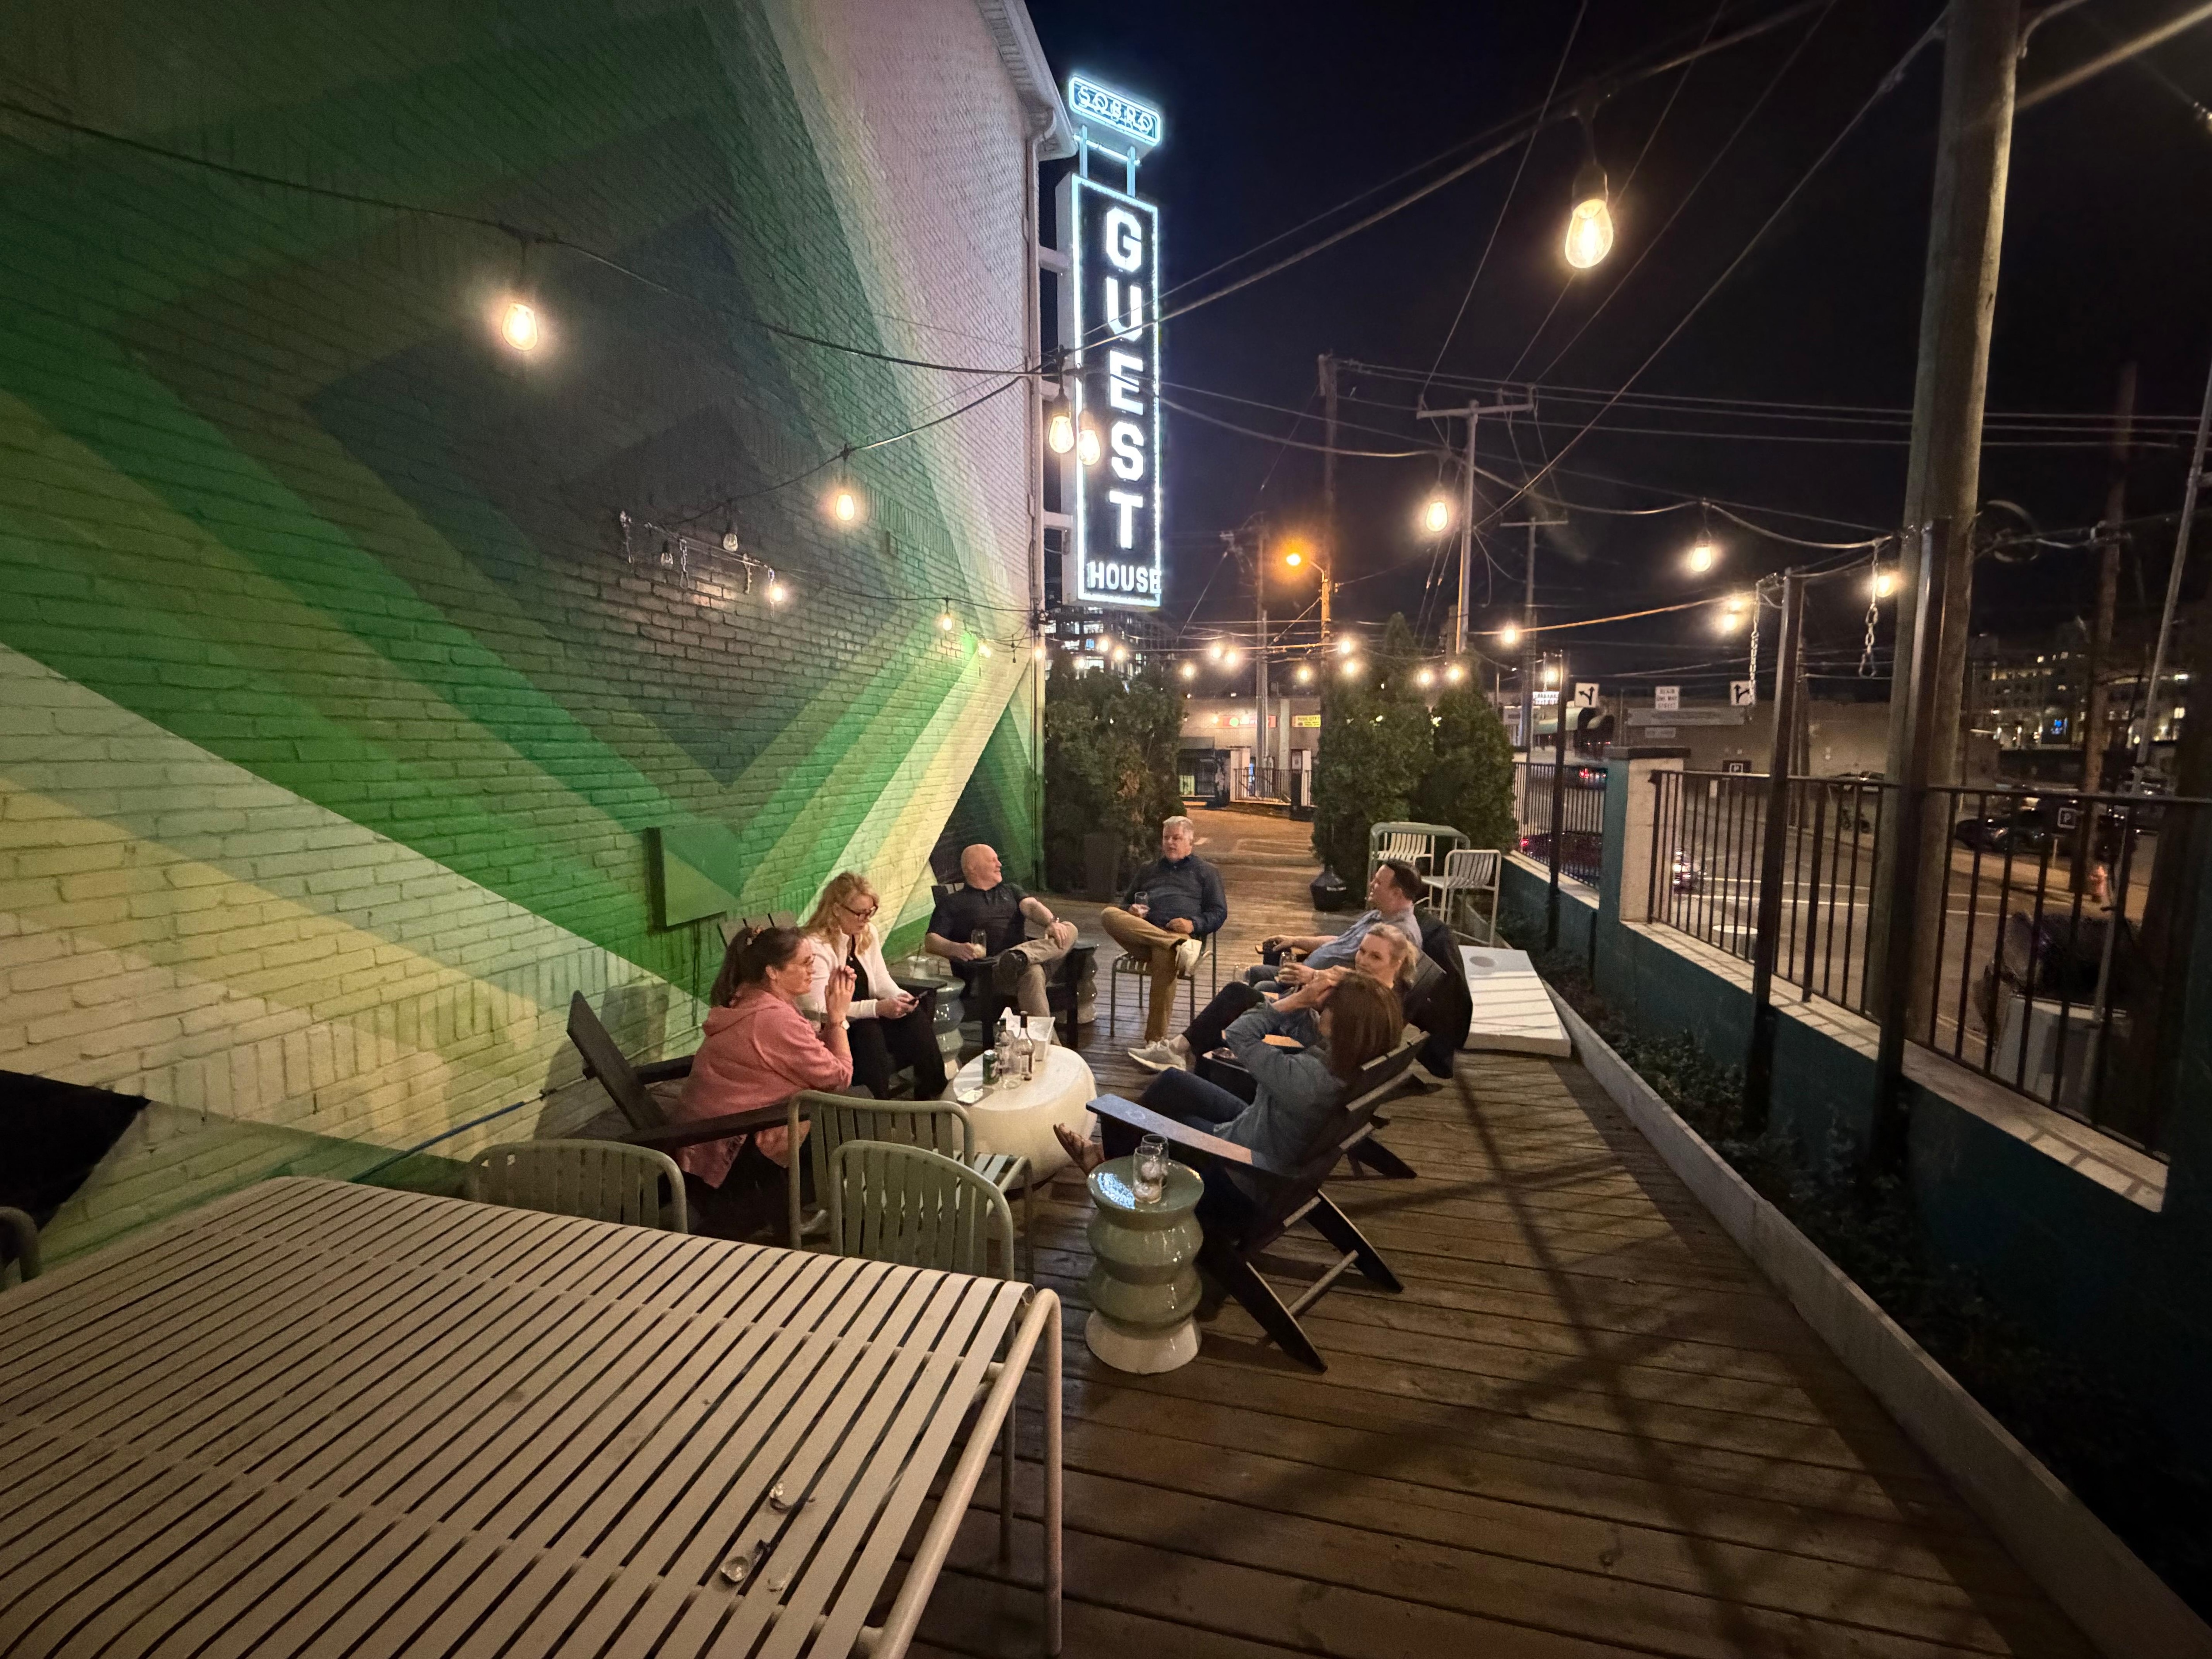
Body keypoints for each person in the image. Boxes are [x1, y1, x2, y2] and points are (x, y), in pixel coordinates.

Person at [1056, 973, 1404, 1226]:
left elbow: (1237, 1034)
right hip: (1259, 1135)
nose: (1322, 1008)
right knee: (1173, 1084)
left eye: (1329, 1007)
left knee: (1136, 1120)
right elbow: (1304, 1033)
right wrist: (1306, 1002)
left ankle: (1120, 1188)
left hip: (1242, 1176)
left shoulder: (1308, 1081)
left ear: (1342, 1025)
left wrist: (1296, 1001)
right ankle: (1119, 1159)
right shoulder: (1350, 1063)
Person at [675, 926, 850, 1237]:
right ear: (773, 972)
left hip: (707, 1134)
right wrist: (837, 1020)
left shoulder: (750, 997)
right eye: (805, 963)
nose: (813, 970)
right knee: (847, 1126)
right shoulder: (773, 1019)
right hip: (723, 1144)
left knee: (832, 1116)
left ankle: (786, 1219)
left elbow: (806, 1057)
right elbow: (839, 1078)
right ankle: (762, 1220)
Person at [1130, 921, 1417, 1073]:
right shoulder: (1365, 984)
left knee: (1237, 1003)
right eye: (1362, 952)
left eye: (1375, 957)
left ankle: (1184, 1056)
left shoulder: (1374, 1002)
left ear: (1397, 963)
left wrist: (1308, 993)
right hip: (1309, 1036)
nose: (1363, 960)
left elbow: (1329, 1037)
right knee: (1239, 998)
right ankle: (1187, 1054)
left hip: (1308, 1053)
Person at [799, 872, 946, 1099]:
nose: (866, 919)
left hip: (866, 1015)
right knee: (869, 1031)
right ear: (836, 910)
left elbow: (880, 979)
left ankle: (934, 1096)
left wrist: (900, 997)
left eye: (870, 912)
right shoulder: (815, 945)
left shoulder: (865, 933)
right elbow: (819, 1009)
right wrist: (877, 1009)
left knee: (914, 1018)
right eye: (860, 913)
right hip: (833, 1027)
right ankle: (877, 1108)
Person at [1098, 816, 1228, 1044]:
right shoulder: (1148, 870)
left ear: (1190, 842)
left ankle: (1155, 1041)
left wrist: (1193, 924)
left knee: (1165, 954)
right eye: (1166, 838)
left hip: (1180, 932)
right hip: (1146, 933)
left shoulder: (1206, 872)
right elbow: (1124, 904)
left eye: (1176, 838)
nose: (1170, 843)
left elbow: (1219, 912)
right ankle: (1175, 946)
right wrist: (1131, 911)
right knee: (1108, 914)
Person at [925, 844, 1079, 1020]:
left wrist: (1051, 922)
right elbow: (931, 941)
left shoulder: (1011, 890)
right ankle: (1018, 959)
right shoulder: (953, 902)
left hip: (1028, 962)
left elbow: (1032, 907)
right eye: (992, 861)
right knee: (1033, 973)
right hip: (990, 972)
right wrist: (955, 948)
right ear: (972, 868)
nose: (1000, 864)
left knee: (1069, 928)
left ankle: (1020, 956)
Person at [1256, 860, 1425, 989]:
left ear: (1396, 893)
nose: (1371, 885)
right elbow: (1340, 941)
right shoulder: (1380, 914)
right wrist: (1295, 941)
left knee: (1259, 988)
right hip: (1308, 974)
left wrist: (1315, 975)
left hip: (1326, 991)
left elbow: (1374, 982)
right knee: (1256, 974)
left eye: (1378, 882)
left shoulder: (1401, 933)